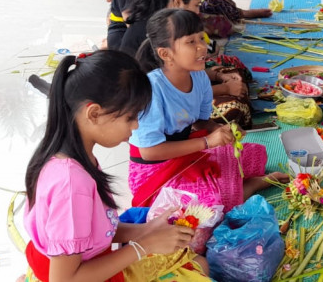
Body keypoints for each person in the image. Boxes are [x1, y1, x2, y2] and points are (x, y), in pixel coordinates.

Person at [23, 51, 209, 282]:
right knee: (197, 270)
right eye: (130, 117)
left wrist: (147, 230)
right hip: (78, 274)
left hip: (80, 263)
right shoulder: (71, 183)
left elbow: (91, 229)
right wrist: (143, 246)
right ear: (94, 113)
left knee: (195, 262)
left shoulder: (71, 157)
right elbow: (64, 280)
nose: (136, 125)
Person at [128, 9, 284, 213]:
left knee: (255, 156)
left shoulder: (199, 77)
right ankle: (253, 185)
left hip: (187, 150)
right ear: (165, 54)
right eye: (191, 42)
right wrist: (207, 142)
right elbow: (149, 152)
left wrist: (222, 129)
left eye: (201, 38)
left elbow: (200, 123)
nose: (203, 47)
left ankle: (237, 187)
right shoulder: (152, 90)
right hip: (154, 169)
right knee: (211, 205)